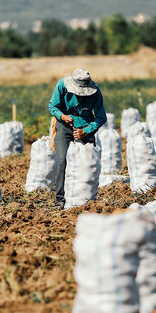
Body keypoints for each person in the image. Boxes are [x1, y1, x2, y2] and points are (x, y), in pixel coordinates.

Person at [48, 69, 106, 208]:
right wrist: (62, 116)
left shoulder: (95, 91)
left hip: (85, 126)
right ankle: (60, 199)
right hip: (64, 125)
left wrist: (85, 131)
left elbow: (101, 117)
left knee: (87, 161)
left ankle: (87, 198)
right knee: (62, 160)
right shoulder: (62, 85)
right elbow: (52, 106)